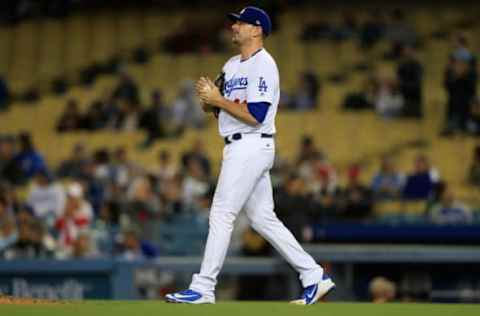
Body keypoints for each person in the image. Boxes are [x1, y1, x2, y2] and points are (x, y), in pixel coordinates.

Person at [165, 6, 334, 305]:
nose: (234, 27)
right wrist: (209, 100)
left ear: (257, 29)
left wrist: (219, 99)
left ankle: (204, 286)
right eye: (234, 23)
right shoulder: (231, 65)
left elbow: (256, 114)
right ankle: (314, 275)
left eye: (240, 23)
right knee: (262, 218)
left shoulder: (264, 64)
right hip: (237, 143)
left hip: (252, 143)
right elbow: (220, 111)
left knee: (221, 213)